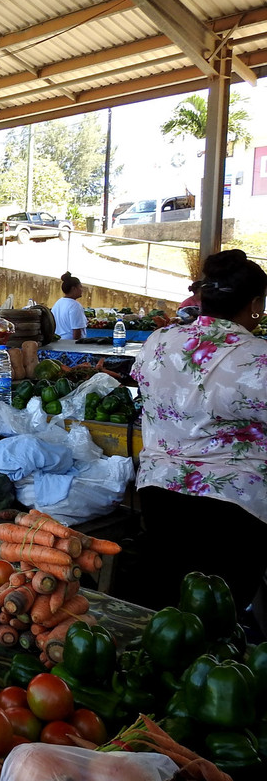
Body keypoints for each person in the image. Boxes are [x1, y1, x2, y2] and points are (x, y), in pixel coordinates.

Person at [131, 249, 267, 615]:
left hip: (160, 499)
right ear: (255, 303)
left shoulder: (157, 342)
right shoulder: (257, 358)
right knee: (215, 624)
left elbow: (147, 388)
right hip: (232, 513)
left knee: (169, 619)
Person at [52, 271, 87, 340]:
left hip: (59, 342)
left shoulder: (58, 303)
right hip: (70, 344)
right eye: (80, 287)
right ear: (74, 289)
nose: (82, 290)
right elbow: (77, 331)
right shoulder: (75, 306)